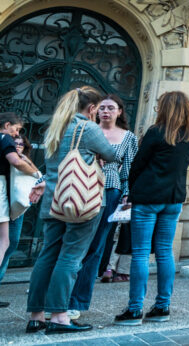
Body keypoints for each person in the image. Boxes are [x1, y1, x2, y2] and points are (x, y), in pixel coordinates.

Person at [27, 87, 116, 335]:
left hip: (52, 200)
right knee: (70, 257)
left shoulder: (56, 126)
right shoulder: (88, 128)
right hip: (80, 201)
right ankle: (59, 316)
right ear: (92, 108)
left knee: (47, 255)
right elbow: (111, 155)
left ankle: (36, 316)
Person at [114, 90, 189, 326]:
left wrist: (132, 189)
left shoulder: (155, 132)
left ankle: (134, 310)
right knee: (164, 252)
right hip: (173, 199)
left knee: (141, 253)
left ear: (164, 108)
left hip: (148, 197)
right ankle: (162, 306)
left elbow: (138, 164)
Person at [69, 95, 139, 316]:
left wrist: (127, 195)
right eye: (102, 108)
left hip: (110, 190)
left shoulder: (128, 137)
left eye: (110, 108)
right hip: (81, 187)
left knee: (96, 246)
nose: (105, 111)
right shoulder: (86, 130)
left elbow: (129, 170)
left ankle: (77, 302)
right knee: (73, 243)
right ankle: (59, 294)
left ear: (119, 112)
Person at [0, 114, 43, 303]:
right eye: (16, 129)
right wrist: (37, 175)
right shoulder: (4, 138)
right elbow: (15, 161)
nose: (16, 134)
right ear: (7, 125)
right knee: (4, 241)